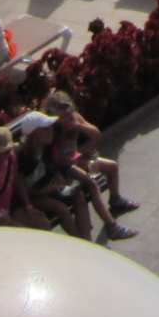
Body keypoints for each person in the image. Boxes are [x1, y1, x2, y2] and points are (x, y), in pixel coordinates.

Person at [42, 93, 137, 240]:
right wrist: (75, 157)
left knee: (112, 167)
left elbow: (96, 135)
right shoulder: (52, 130)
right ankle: (111, 227)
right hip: (63, 170)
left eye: (69, 113)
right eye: (63, 116)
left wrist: (79, 127)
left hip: (75, 161)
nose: (68, 118)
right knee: (90, 185)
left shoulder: (75, 118)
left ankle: (115, 200)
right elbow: (56, 159)